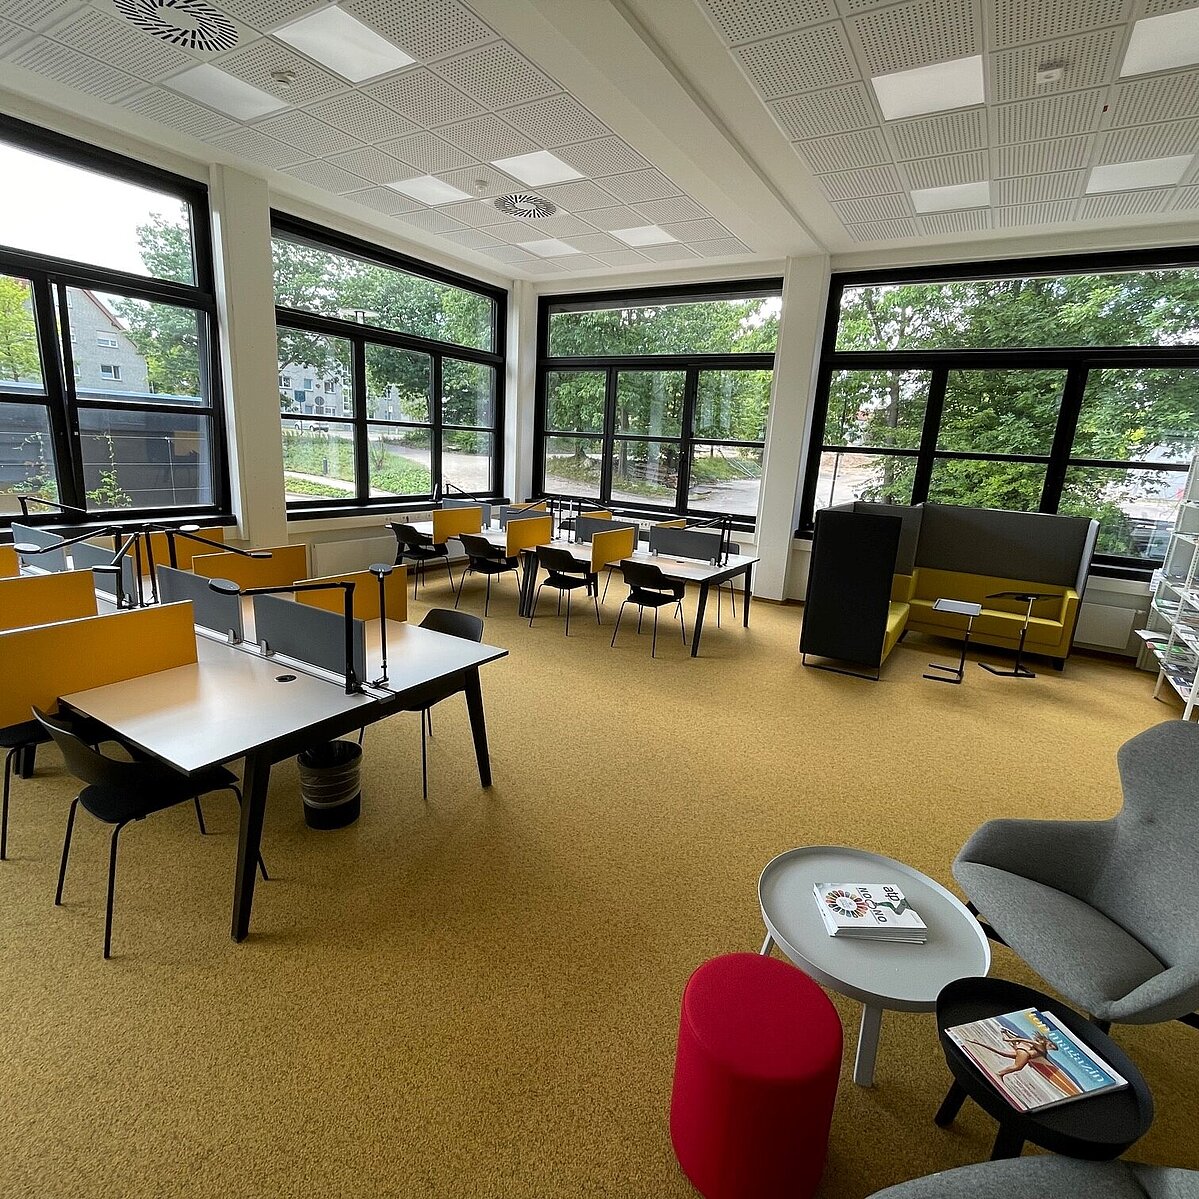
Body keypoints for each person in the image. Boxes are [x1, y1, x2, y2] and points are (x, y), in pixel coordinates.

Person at [965, 1028, 1052, 1079]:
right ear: (1045, 1042)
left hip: (1023, 1053)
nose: (1052, 1047)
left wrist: (1009, 1037)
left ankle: (977, 1042)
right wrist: (1009, 1039)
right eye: (1051, 1045)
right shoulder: (1040, 1046)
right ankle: (1000, 1074)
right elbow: (1023, 1040)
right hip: (1025, 1054)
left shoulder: (1042, 1049)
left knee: (1001, 1053)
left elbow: (1022, 1041)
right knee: (1018, 1067)